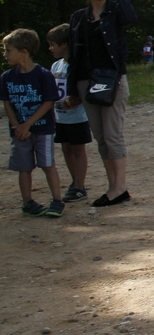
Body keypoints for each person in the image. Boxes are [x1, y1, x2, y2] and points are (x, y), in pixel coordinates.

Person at [65, 0, 135, 207]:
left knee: (113, 134)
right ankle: (113, 185)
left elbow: (131, 18)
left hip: (112, 79)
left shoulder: (115, 11)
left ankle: (120, 187)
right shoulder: (78, 18)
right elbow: (74, 55)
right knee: (101, 137)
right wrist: (72, 90)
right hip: (87, 81)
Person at [3, 29, 64, 217]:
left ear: (24, 52)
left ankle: (57, 200)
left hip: (42, 129)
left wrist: (28, 123)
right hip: (20, 131)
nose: (5, 55)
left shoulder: (43, 75)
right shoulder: (7, 77)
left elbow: (48, 102)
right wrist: (17, 126)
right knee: (24, 167)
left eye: (8, 50)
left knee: (47, 164)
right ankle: (27, 201)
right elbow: (7, 103)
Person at [46, 25, 90, 203]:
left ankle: (79, 185)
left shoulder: (77, 64)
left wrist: (76, 100)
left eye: (52, 44)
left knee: (78, 149)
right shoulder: (56, 65)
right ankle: (75, 182)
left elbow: (84, 88)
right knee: (66, 148)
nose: (50, 49)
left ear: (64, 44)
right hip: (60, 116)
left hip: (77, 116)